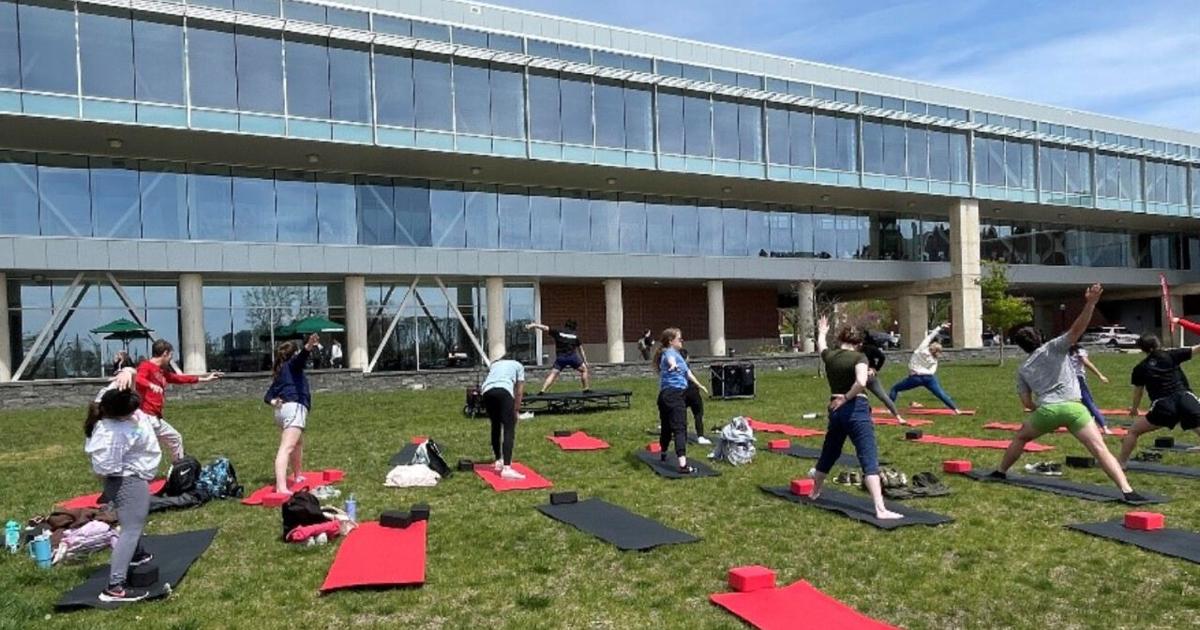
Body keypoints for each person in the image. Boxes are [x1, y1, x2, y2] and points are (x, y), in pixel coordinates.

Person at [992, 284, 1146, 502]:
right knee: (1100, 449)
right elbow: (1077, 329)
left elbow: (1026, 403)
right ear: (1040, 337)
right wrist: (1091, 303)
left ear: (1021, 347)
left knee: (1021, 438)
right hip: (1075, 409)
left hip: (1047, 410)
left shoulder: (1023, 368)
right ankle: (1127, 490)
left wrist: (1046, 414)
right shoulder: (1054, 347)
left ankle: (1000, 471)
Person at [810, 316, 903, 520]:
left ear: (840, 339)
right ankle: (880, 509)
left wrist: (822, 331)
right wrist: (846, 397)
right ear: (859, 343)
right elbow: (861, 382)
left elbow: (821, 346)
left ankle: (814, 492)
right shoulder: (859, 358)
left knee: (829, 453)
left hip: (834, 409)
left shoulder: (830, 356)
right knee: (868, 458)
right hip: (856, 408)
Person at [84, 387, 160, 602]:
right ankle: (115, 587)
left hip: (130, 478)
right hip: (127, 480)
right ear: (119, 413)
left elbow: (109, 394)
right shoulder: (114, 432)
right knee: (131, 528)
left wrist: (126, 371)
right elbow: (105, 467)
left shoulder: (110, 407)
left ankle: (136, 555)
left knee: (134, 523)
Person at [1116, 327, 1200, 464]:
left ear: (1143, 350)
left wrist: (1134, 409)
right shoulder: (1171, 355)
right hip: (1186, 399)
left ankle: (1121, 463)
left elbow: (1138, 392)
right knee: (1192, 416)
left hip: (1164, 406)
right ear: (1157, 344)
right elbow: (1196, 349)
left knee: (1133, 431)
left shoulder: (1140, 368)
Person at [134, 340, 222, 464]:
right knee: (145, 450)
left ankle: (180, 470)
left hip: (155, 418)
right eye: (170, 356)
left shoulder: (161, 371)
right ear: (165, 353)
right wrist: (150, 385)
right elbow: (138, 379)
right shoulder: (146, 366)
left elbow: (179, 378)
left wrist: (204, 379)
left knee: (175, 438)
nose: (170, 359)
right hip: (146, 417)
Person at [265, 333, 319, 495]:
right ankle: (281, 487)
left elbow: (268, 396)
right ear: (293, 354)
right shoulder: (292, 365)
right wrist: (309, 345)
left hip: (281, 412)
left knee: (298, 443)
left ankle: (297, 475)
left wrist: (274, 402)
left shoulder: (281, 371)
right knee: (286, 448)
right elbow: (301, 357)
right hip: (294, 409)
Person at [653, 328, 708, 474]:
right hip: (674, 396)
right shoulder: (669, 353)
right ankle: (683, 466)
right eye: (679, 339)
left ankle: (664, 453)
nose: (681, 341)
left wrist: (699, 384)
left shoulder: (677, 355)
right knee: (680, 428)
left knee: (666, 427)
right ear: (671, 341)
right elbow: (671, 361)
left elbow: (687, 372)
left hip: (666, 396)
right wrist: (672, 365)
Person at [888, 322, 960, 414]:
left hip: (915, 377)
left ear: (930, 347)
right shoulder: (934, 359)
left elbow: (929, 337)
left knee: (895, 389)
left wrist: (940, 327)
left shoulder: (921, 349)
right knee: (941, 394)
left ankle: (890, 410)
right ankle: (955, 409)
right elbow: (932, 371)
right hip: (929, 378)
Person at [479, 355, 527, 480]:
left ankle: (498, 460)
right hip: (504, 391)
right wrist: (516, 410)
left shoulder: (495, 364)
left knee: (495, 425)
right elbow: (519, 390)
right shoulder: (518, 365)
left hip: (487, 391)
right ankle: (507, 468)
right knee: (509, 428)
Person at [525, 320, 590, 394]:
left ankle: (542, 390)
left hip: (561, 358)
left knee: (553, 374)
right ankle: (586, 389)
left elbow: (545, 328)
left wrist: (534, 325)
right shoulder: (575, 336)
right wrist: (585, 361)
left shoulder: (558, 331)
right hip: (572, 357)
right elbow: (581, 350)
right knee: (584, 370)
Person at [861, 329, 906, 425]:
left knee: (860, 397)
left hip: (861, 376)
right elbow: (882, 357)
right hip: (870, 374)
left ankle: (866, 417)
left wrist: (875, 369)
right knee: (883, 396)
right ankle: (898, 417)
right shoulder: (872, 347)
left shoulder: (857, 349)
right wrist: (875, 368)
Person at [1070, 344, 1111, 434]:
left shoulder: (1062, 351)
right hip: (1077, 379)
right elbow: (1086, 362)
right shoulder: (1079, 350)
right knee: (1089, 402)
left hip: (1066, 380)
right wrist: (1100, 375)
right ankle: (1104, 427)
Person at [679, 348, 711, 445]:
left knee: (681, 415)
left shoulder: (675, 366)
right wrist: (700, 385)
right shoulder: (685, 366)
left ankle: (682, 436)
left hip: (681, 393)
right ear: (687, 357)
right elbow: (690, 376)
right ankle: (700, 436)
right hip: (692, 392)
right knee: (698, 414)